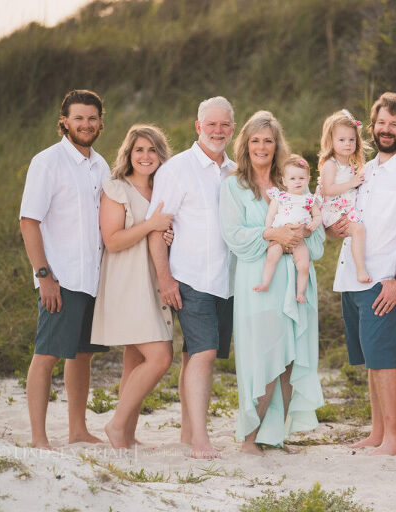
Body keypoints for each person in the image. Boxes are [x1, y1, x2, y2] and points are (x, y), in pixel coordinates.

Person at [329, 92, 396, 456]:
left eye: (395, 123)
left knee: (384, 360)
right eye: (381, 123)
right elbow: (348, 217)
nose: (386, 130)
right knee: (372, 361)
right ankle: (377, 433)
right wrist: (334, 227)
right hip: (352, 277)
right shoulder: (366, 169)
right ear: (371, 127)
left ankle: (395, 438)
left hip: (383, 280)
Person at [219, 111, 324, 456]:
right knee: (263, 355)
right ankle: (250, 437)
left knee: (290, 358)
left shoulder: (292, 179)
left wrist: (301, 233)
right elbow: (233, 236)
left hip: (295, 279)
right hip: (258, 279)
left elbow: (316, 230)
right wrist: (272, 233)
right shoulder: (234, 185)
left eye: (268, 140)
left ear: (277, 145)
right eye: (255, 140)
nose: (262, 147)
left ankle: (273, 436)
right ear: (245, 145)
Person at [19, 89, 110, 449]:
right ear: (64, 122)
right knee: (47, 354)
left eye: (92, 118)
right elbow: (29, 221)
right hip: (61, 277)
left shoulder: (100, 165)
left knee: (82, 354)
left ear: (100, 122)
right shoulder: (47, 162)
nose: (85, 124)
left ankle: (77, 430)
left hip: (94, 278)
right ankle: (39, 438)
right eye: (79, 118)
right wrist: (45, 277)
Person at [147, 97, 237, 459]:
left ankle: (188, 432)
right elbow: (157, 228)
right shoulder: (177, 169)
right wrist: (165, 278)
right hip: (190, 277)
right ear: (197, 126)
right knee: (204, 353)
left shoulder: (235, 169)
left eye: (225, 125)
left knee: (192, 355)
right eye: (211, 124)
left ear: (232, 128)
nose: (218, 131)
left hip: (226, 280)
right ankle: (200, 439)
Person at [91, 124, 175, 449]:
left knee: (135, 361)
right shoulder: (116, 189)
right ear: (128, 154)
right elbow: (112, 241)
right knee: (160, 356)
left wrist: (167, 235)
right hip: (127, 283)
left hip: (151, 280)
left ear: (160, 154)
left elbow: (163, 233)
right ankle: (115, 426)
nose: (145, 156)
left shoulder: (163, 190)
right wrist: (151, 225)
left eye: (152, 150)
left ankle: (126, 434)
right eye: (139, 149)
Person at [254, 155, 322, 302]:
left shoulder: (309, 199)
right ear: (284, 181)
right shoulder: (280, 197)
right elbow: (271, 216)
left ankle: (300, 293)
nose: (297, 182)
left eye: (301, 178)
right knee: (272, 258)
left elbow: (318, 216)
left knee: (303, 265)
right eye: (293, 179)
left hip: (299, 240)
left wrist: (314, 224)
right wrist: (270, 231)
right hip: (279, 238)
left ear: (308, 179)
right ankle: (265, 283)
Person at [317, 109, 371, 283]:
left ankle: (360, 265)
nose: (347, 144)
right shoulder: (330, 165)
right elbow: (327, 190)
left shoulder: (348, 163)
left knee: (363, 228)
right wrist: (352, 183)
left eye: (351, 139)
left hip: (344, 208)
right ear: (331, 142)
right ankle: (360, 270)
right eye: (341, 140)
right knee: (359, 229)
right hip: (332, 210)